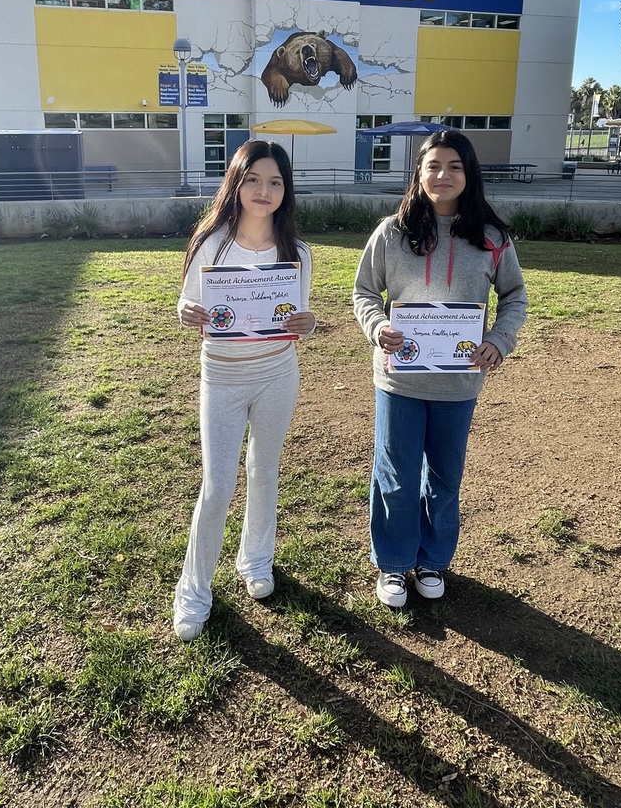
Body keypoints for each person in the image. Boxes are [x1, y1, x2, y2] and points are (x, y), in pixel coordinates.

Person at [352, 130, 527, 608]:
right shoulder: (391, 231)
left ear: (469, 174)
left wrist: (498, 340)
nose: (443, 175)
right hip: (398, 378)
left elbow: (514, 297)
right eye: (433, 166)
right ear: (419, 172)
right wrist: (378, 324)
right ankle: (393, 563)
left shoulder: (493, 239)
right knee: (397, 473)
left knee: (446, 476)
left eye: (454, 166)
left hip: (458, 381)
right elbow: (364, 291)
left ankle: (432, 559)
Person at [173, 140, 316, 641]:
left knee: (264, 471)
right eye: (254, 179)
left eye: (275, 182)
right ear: (236, 182)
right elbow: (187, 303)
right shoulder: (213, 242)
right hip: (223, 377)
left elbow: (298, 317)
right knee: (216, 487)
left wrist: (309, 321)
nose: (264, 190)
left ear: (286, 191)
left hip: (278, 373)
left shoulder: (296, 252)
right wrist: (186, 313)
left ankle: (256, 560)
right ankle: (194, 589)